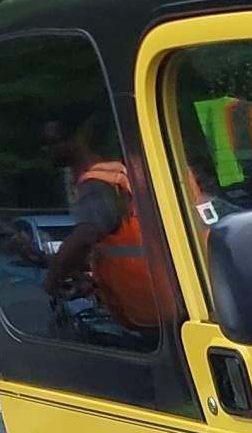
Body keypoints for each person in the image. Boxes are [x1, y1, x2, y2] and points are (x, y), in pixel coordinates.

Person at [33, 113, 184, 337]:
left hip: (150, 310)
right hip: (163, 304)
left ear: (77, 139)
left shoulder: (97, 184)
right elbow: (122, 245)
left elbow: (83, 239)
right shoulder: (119, 174)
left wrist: (52, 280)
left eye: (51, 142)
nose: (45, 150)